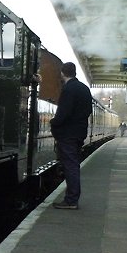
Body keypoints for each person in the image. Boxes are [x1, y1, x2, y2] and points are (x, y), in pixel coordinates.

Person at [50, 61, 93, 210]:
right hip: (79, 132)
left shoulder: (69, 89)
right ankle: (72, 198)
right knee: (73, 165)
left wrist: (54, 123)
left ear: (62, 73)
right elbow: (88, 111)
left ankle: (71, 200)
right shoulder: (84, 89)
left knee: (70, 166)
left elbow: (64, 112)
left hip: (68, 133)